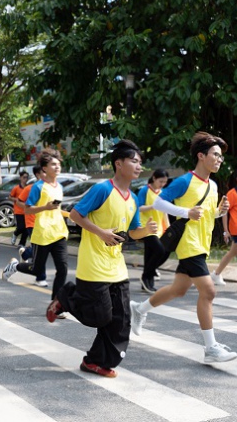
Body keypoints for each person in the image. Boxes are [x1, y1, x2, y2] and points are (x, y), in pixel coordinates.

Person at [42, 141, 154, 379]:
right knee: (99, 316)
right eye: (134, 161)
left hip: (117, 267)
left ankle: (95, 362)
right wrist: (100, 232)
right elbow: (75, 214)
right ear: (119, 163)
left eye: (140, 162)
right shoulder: (103, 189)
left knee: (120, 321)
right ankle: (66, 297)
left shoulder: (132, 199)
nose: (138, 166)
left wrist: (146, 231)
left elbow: (132, 232)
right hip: (93, 264)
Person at [130, 131, 236, 364]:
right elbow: (158, 201)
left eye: (220, 157)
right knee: (208, 291)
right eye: (215, 155)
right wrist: (185, 212)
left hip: (201, 243)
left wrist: (220, 212)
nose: (220, 160)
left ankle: (139, 309)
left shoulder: (214, 185)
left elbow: (206, 215)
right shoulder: (185, 181)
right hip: (188, 244)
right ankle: (210, 348)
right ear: (201, 156)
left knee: (178, 289)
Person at [3, 155, 69, 290]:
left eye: (58, 164)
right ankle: (14, 267)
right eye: (53, 164)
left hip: (59, 232)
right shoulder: (38, 187)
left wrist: (70, 215)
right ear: (44, 168)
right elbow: (27, 210)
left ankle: (56, 306)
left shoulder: (59, 186)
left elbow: (57, 210)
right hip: (43, 233)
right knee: (36, 269)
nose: (57, 167)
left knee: (63, 269)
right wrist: (45, 207)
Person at [136, 169, 170, 293]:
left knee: (162, 252)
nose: (162, 184)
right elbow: (139, 208)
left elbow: (164, 211)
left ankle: (147, 280)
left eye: (165, 182)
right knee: (159, 250)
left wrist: (168, 227)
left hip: (159, 228)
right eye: (161, 181)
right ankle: (146, 276)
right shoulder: (144, 190)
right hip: (146, 227)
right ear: (154, 178)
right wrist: (153, 206)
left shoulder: (162, 193)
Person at [9, 171, 30, 247]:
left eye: (27, 177)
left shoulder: (28, 188)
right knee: (21, 227)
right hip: (18, 210)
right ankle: (15, 233)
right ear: (20, 178)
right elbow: (10, 197)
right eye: (24, 177)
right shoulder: (16, 188)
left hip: (27, 211)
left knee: (27, 228)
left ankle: (22, 243)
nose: (25, 179)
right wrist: (16, 199)